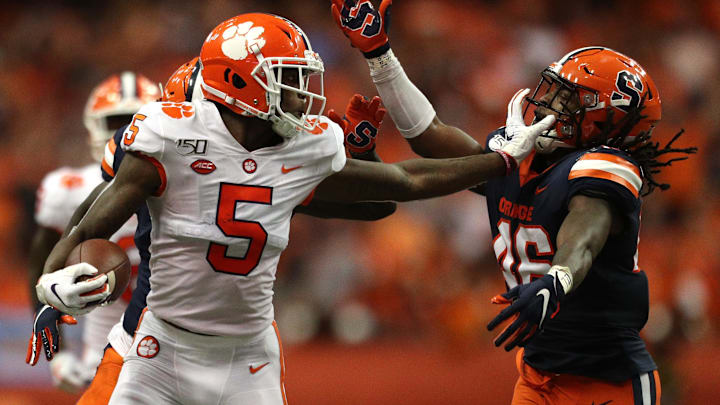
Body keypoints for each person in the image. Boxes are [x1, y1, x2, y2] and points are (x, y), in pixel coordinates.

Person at [35, 12, 552, 404]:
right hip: (161, 343)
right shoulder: (171, 136)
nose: (304, 94)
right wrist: (50, 282)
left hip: (249, 354)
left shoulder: (305, 147)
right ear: (238, 82)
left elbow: (399, 183)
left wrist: (499, 158)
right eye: (287, 76)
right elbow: (90, 219)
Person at [331, 1, 697, 404]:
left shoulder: (603, 167)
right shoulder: (517, 156)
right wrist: (380, 55)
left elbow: (584, 237)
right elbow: (430, 137)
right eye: (554, 90)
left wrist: (554, 282)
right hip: (537, 376)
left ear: (601, 119)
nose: (546, 104)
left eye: (566, 99)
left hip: (608, 381)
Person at [25, 72, 159, 393]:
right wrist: (57, 355)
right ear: (92, 127)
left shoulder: (185, 181)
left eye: (136, 119)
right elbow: (41, 269)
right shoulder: (67, 189)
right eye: (116, 120)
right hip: (105, 352)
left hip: (179, 337)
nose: (126, 131)